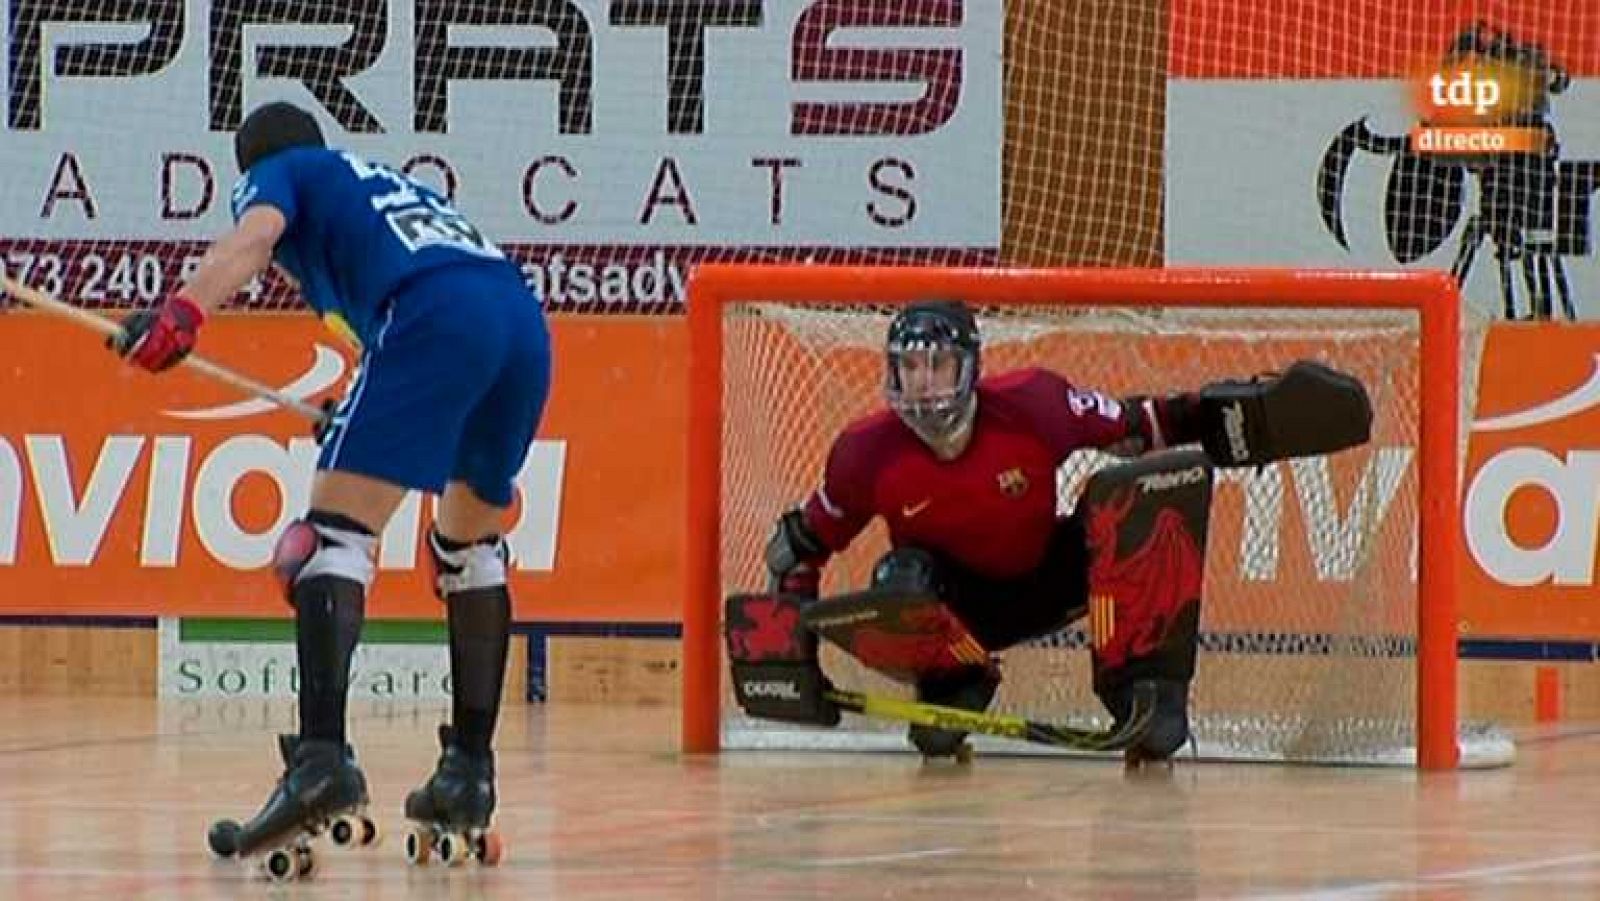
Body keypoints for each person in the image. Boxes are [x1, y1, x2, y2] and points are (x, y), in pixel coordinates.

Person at [109, 101, 551, 858]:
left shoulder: (288, 171)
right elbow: (389, 339)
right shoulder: (381, 187)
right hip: (520, 326)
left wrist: (183, 312)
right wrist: (355, 412)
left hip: (437, 314)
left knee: (326, 544)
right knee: (467, 547)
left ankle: (320, 762)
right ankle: (468, 773)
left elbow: (253, 238)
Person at [759, 300, 1367, 765]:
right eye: (908, 366)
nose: (923, 383)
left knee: (1141, 494)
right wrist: (791, 657)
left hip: (1055, 580)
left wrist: (1245, 418)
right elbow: (801, 546)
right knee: (899, 576)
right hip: (960, 615)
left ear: (969, 366)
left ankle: (1142, 686)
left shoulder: (1034, 403)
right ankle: (954, 681)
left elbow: (1143, 423)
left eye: (937, 364)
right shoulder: (864, 454)